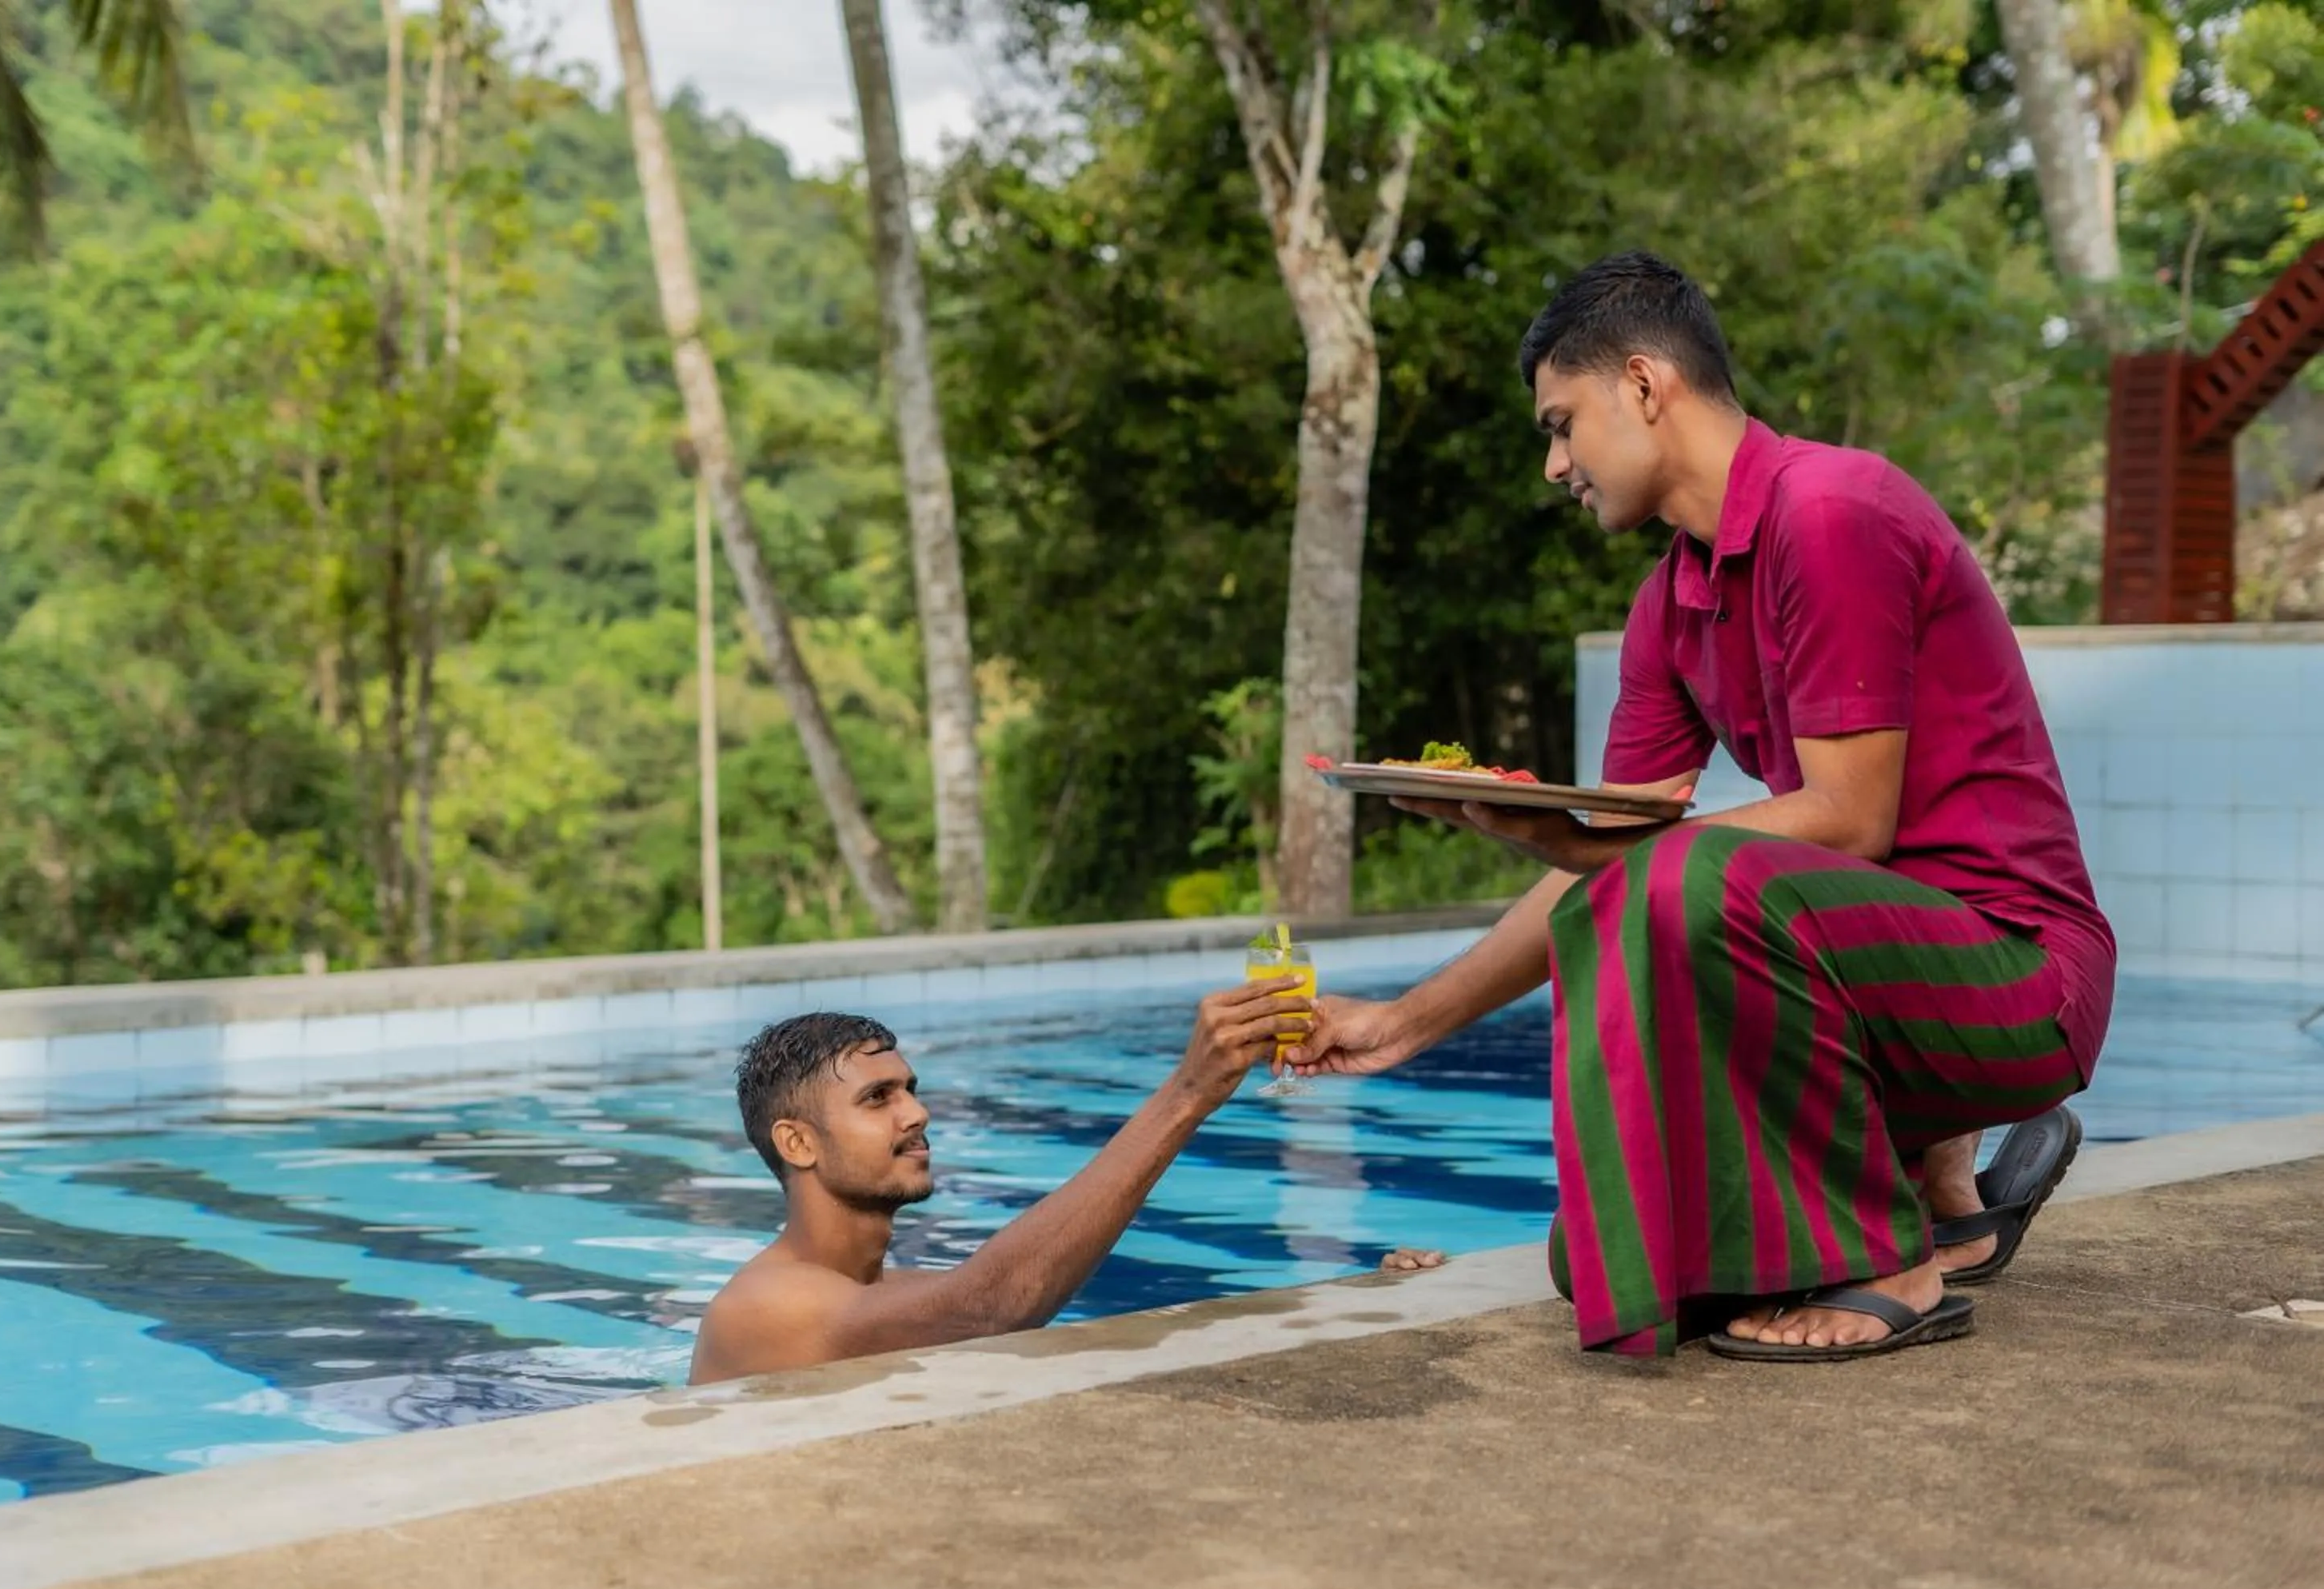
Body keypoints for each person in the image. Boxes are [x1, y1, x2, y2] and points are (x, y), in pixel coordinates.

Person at [1284, 251, 2111, 1363]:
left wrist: (1606, 853)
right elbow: (1614, 859)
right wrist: (1403, 1022)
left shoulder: (1832, 511)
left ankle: (1898, 1261)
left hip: (2018, 979)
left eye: (1562, 423)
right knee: (1598, 1260)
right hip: (1877, 979)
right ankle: (1944, 1195)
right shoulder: (1667, 605)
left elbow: (1848, 819)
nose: (1555, 464)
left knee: (1680, 880)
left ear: (1641, 384)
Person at [691, 980, 1447, 1383]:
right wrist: (1190, 1090)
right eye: (877, 1098)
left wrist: (1368, 1291)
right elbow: (992, 1307)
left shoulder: (879, 1296)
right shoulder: (764, 1305)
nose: (918, 1113)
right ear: (796, 1142)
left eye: (909, 1088)